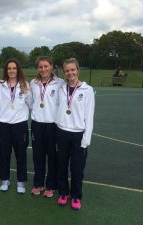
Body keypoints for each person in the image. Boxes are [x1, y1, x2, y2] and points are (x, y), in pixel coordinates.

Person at [55, 58, 95, 210]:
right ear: (64, 73)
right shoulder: (62, 89)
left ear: (78, 70)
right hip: (62, 132)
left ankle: (76, 196)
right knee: (61, 165)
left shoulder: (87, 90)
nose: (70, 73)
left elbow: (89, 116)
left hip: (79, 135)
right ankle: (63, 193)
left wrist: (86, 140)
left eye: (73, 69)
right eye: (67, 70)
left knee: (77, 169)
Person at [30, 56, 65, 198]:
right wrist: (38, 112)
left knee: (52, 157)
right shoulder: (33, 83)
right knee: (38, 157)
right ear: (37, 68)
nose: (43, 69)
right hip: (37, 124)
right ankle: (39, 184)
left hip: (53, 125)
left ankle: (51, 185)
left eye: (46, 66)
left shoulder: (60, 83)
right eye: (40, 67)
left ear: (51, 66)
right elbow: (31, 102)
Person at [0, 58, 31, 194]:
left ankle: (21, 182)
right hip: (3, 125)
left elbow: (30, 102)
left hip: (20, 126)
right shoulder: (0, 85)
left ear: (18, 70)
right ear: (6, 70)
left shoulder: (24, 85)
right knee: (4, 155)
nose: (12, 70)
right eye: (9, 68)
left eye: (14, 68)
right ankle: (5, 180)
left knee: (20, 155)